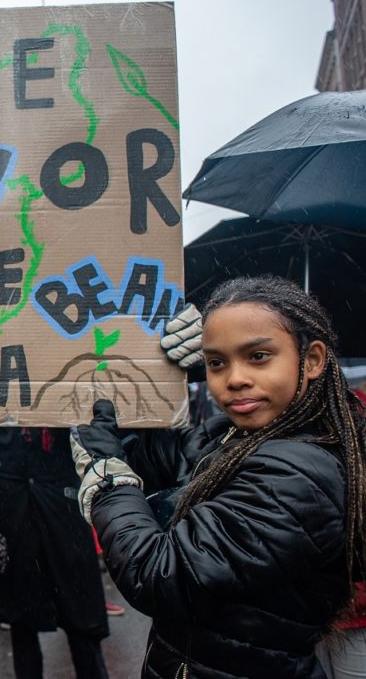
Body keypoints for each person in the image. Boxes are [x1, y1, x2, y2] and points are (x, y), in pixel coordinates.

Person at [71, 276, 366, 678]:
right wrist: (160, 372)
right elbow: (169, 464)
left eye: (258, 356)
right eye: (217, 363)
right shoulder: (240, 435)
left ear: (312, 360)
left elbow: (158, 575)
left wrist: (109, 482)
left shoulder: (298, 473)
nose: (235, 378)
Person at [0, 426, 110, 678]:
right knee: (24, 625)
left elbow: (91, 436)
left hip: (64, 519)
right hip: (16, 524)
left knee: (82, 623)